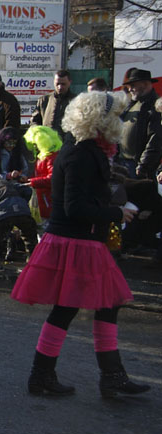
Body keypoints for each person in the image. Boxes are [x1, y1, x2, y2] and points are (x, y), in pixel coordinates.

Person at [12, 91, 150, 398]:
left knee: (101, 304)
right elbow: (75, 207)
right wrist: (117, 212)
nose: (121, 121)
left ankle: (102, 376)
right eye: (115, 115)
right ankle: (47, 376)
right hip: (75, 241)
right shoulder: (80, 153)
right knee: (70, 308)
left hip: (82, 241)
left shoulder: (89, 150)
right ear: (99, 120)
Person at [117, 68, 161, 179]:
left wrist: (143, 165)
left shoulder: (155, 107)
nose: (130, 89)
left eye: (133, 85)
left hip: (137, 166)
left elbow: (155, 140)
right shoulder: (131, 104)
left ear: (145, 84)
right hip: (122, 162)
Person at [24, 125, 63, 221]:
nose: (34, 147)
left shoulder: (51, 158)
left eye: (35, 144)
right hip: (45, 200)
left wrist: (33, 182)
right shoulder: (44, 157)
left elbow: (53, 178)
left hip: (49, 201)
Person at [30, 70, 75, 136]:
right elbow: (34, 121)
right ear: (54, 82)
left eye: (63, 84)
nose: (60, 87)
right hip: (46, 141)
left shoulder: (76, 101)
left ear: (69, 82)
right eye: (58, 84)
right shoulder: (44, 100)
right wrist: (39, 132)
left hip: (67, 142)